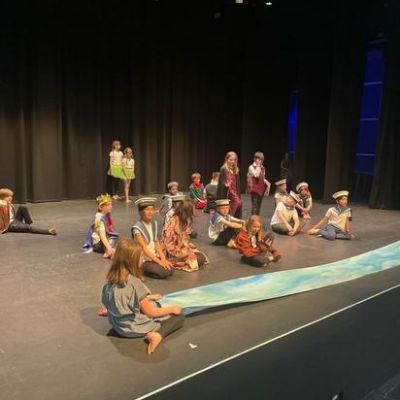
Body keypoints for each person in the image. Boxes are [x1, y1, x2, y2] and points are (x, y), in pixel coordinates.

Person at [101, 239, 184, 355]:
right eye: (141, 257)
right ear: (133, 261)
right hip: (134, 329)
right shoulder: (135, 284)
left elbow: (119, 300)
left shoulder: (110, 282)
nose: (143, 259)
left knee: (152, 303)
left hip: (117, 326)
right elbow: (151, 313)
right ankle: (157, 335)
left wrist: (148, 298)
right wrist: (172, 309)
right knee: (178, 318)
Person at [131, 197, 174, 279]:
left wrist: (163, 259)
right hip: (143, 260)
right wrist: (159, 262)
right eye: (147, 209)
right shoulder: (137, 228)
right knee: (163, 272)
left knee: (171, 269)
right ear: (140, 212)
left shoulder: (153, 224)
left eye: (152, 209)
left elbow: (156, 243)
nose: (150, 212)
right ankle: (142, 269)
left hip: (153, 257)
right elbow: (144, 248)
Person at [164, 200, 208, 271]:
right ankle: (177, 261)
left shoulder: (184, 220)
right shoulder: (174, 220)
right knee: (197, 259)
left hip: (181, 246)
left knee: (201, 257)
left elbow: (185, 237)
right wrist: (183, 247)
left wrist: (187, 245)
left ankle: (184, 259)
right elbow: (170, 240)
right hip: (173, 248)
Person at [83, 194, 119, 258]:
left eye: (111, 204)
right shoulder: (99, 219)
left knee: (114, 238)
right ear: (101, 207)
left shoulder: (106, 215)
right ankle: (108, 252)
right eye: (108, 205)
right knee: (112, 240)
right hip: (98, 244)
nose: (111, 206)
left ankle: (110, 250)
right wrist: (109, 249)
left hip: (104, 240)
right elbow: (102, 236)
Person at [217, 151, 242, 218]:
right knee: (235, 204)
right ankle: (229, 219)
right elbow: (221, 183)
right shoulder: (224, 169)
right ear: (227, 159)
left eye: (234, 160)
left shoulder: (235, 170)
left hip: (234, 191)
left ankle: (231, 219)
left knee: (237, 205)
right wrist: (225, 185)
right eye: (231, 160)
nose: (232, 161)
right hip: (228, 192)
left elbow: (237, 183)